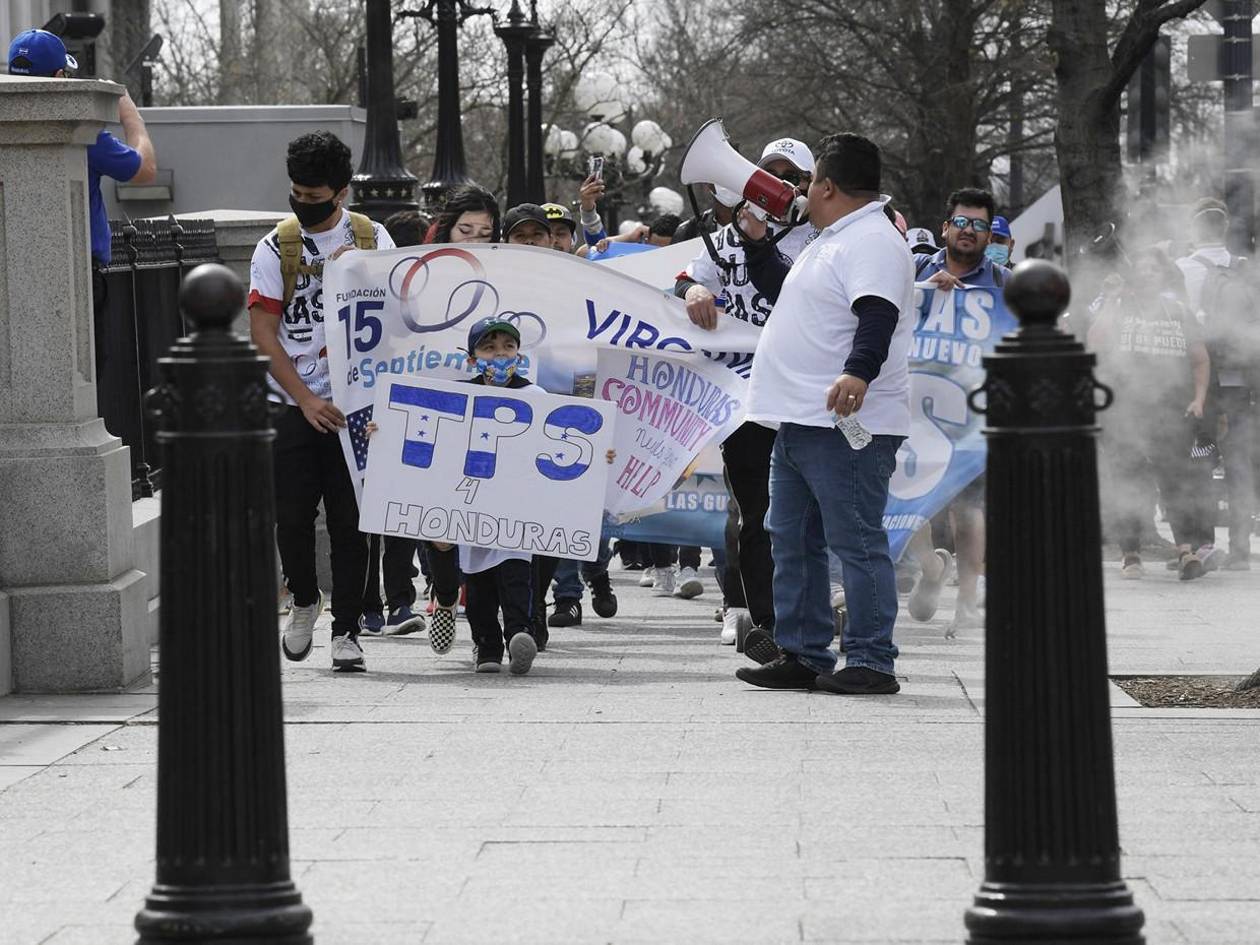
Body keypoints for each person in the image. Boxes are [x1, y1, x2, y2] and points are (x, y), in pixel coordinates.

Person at [733, 132, 914, 695]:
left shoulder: (872, 242)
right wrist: (761, 248)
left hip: (843, 424)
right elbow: (794, 295)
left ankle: (871, 659)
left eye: (808, 182)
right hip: (801, 422)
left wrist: (859, 371)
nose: (800, 191)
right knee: (791, 537)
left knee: (855, 542)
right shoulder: (834, 239)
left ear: (827, 186)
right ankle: (804, 652)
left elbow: (877, 314)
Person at [248, 131, 395, 673]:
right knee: (290, 516)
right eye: (297, 194)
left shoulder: (374, 239)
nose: (304, 204)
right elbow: (263, 333)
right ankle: (305, 599)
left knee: (352, 519)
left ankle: (349, 630)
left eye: (315, 197)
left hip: (358, 407)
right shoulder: (275, 248)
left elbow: (401, 320)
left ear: (342, 191)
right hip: (292, 403)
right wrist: (306, 399)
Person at [675, 137, 818, 648]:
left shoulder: (820, 238)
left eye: (787, 174)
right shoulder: (723, 240)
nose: (775, 183)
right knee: (756, 514)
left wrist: (761, 242)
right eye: (767, 173)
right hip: (745, 399)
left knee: (806, 516)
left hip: (803, 395)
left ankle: (809, 615)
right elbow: (687, 279)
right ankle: (768, 623)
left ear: (805, 184)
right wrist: (691, 291)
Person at [9, 28, 158, 370]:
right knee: (87, 369)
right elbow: (144, 169)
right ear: (60, 77)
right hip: (78, 275)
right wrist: (131, 117)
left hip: (14, 271)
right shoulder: (82, 134)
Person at [904, 188, 1009, 634]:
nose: (969, 231)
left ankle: (968, 600)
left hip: (973, 412)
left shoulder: (1004, 282)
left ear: (990, 235)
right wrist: (925, 290)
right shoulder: (915, 270)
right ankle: (929, 568)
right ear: (946, 227)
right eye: (961, 223)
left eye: (979, 225)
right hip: (911, 409)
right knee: (909, 507)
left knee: (969, 509)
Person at [1088, 245, 1212, 580]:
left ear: (1163, 275)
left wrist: (1198, 399)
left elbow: (1199, 359)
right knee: (1128, 480)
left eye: (1153, 269)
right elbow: (1095, 343)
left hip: (1170, 411)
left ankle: (1185, 551)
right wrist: (1113, 302)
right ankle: (1130, 555)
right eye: (1140, 268)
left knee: (1174, 480)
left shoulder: (1177, 311)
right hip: (1123, 411)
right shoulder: (1117, 307)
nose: (1146, 274)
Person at [359, 209, 429, 638]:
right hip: (369, 413)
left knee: (401, 513)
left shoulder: (430, 296)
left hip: (410, 410)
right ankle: (372, 604)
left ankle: (398, 601)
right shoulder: (365, 291)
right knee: (371, 515)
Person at [1176, 198, 1257, 570]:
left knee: (1199, 457)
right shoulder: (1246, 270)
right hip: (1241, 378)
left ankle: (1202, 541)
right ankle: (1240, 549)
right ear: (1224, 229)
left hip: (1199, 379)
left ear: (1194, 229)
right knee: (1240, 461)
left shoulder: (1181, 269)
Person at [424, 183, 500, 243]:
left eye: (484, 235)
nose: (474, 242)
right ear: (448, 229)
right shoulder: (427, 260)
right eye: (465, 231)